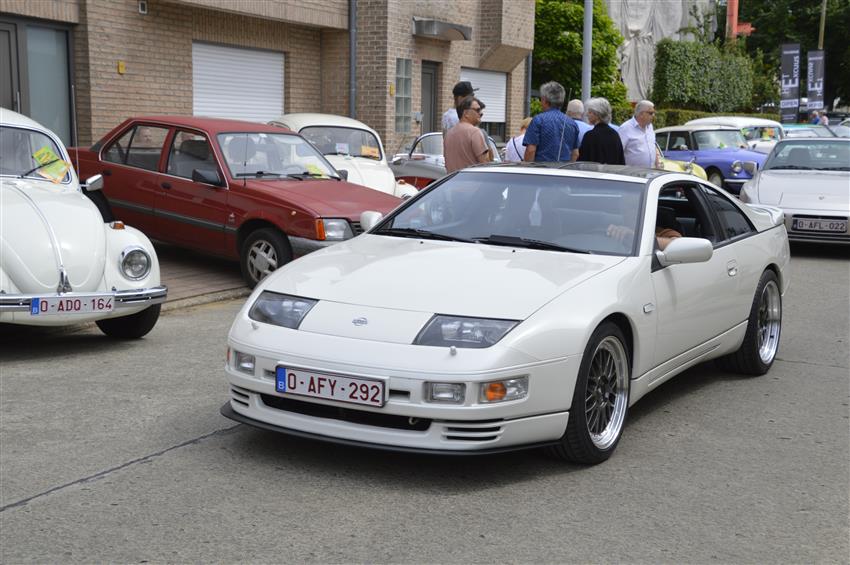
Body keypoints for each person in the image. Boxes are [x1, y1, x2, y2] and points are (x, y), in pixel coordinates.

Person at [523, 81, 579, 162]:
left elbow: (530, 150)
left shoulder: (538, 120)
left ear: (544, 100)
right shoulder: (572, 123)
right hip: (564, 168)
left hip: (541, 168)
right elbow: (575, 153)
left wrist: (528, 167)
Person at [444, 96, 491, 173]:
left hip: (453, 179)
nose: (481, 113)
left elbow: (447, 164)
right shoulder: (475, 132)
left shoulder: (448, 134)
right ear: (466, 113)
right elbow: (485, 164)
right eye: (477, 110)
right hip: (473, 179)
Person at [577, 97, 625, 165]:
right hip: (612, 171)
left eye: (590, 112)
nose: (587, 114)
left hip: (593, 171)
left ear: (597, 114)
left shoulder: (590, 136)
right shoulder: (615, 134)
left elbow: (582, 162)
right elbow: (621, 161)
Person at [618, 100, 658, 168]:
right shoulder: (625, 128)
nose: (653, 115)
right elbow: (617, 152)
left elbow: (652, 147)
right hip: (631, 173)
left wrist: (657, 165)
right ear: (641, 114)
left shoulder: (650, 127)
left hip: (651, 172)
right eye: (651, 113)